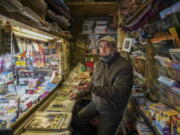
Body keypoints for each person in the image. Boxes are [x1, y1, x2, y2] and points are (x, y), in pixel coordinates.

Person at [69, 35, 133, 135]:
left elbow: (118, 93)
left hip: (112, 109)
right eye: (101, 46)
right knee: (76, 121)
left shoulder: (124, 66)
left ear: (115, 49)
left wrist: (93, 88)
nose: (103, 49)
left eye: (107, 46)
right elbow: (93, 84)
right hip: (96, 103)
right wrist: (79, 93)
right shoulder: (98, 64)